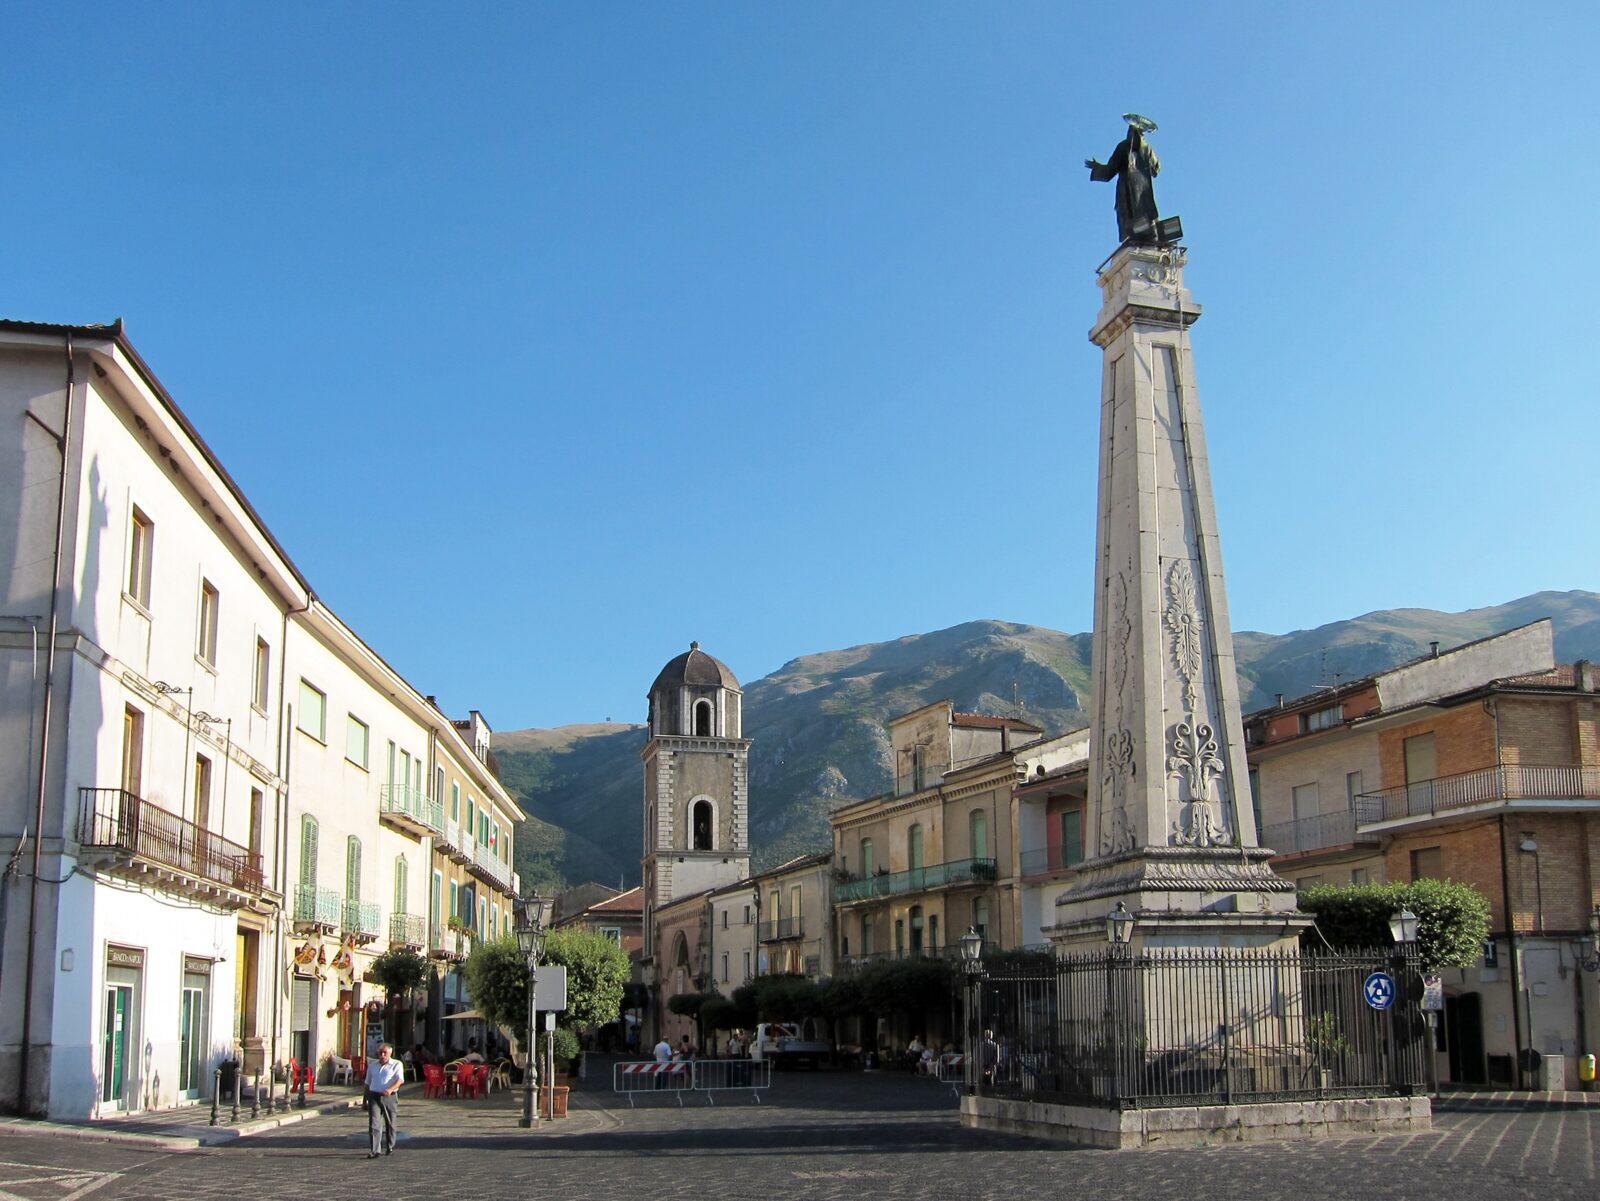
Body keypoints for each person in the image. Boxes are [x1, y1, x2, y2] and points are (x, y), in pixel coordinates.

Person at [1086, 120, 1162, 245]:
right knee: (1144, 214)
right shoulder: (1146, 148)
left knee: (1128, 214)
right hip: (1144, 190)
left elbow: (1110, 170)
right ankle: (1147, 236)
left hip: (1128, 189)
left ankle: (1134, 238)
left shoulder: (1124, 146)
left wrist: (1097, 167)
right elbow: (1156, 169)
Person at [363, 1043, 404, 1159]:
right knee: (374, 1123)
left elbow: (400, 1080)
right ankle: (375, 1150)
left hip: (389, 1097)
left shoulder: (397, 1064)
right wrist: (365, 1099)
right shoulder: (372, 1065)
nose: (382, 1055)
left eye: (384, 1052)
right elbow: (367, 1083)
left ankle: (390, 1146)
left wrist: (390, 1089)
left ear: (390, 1053)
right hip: (374, 1095)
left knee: (390, 1122)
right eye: (380, 1052)